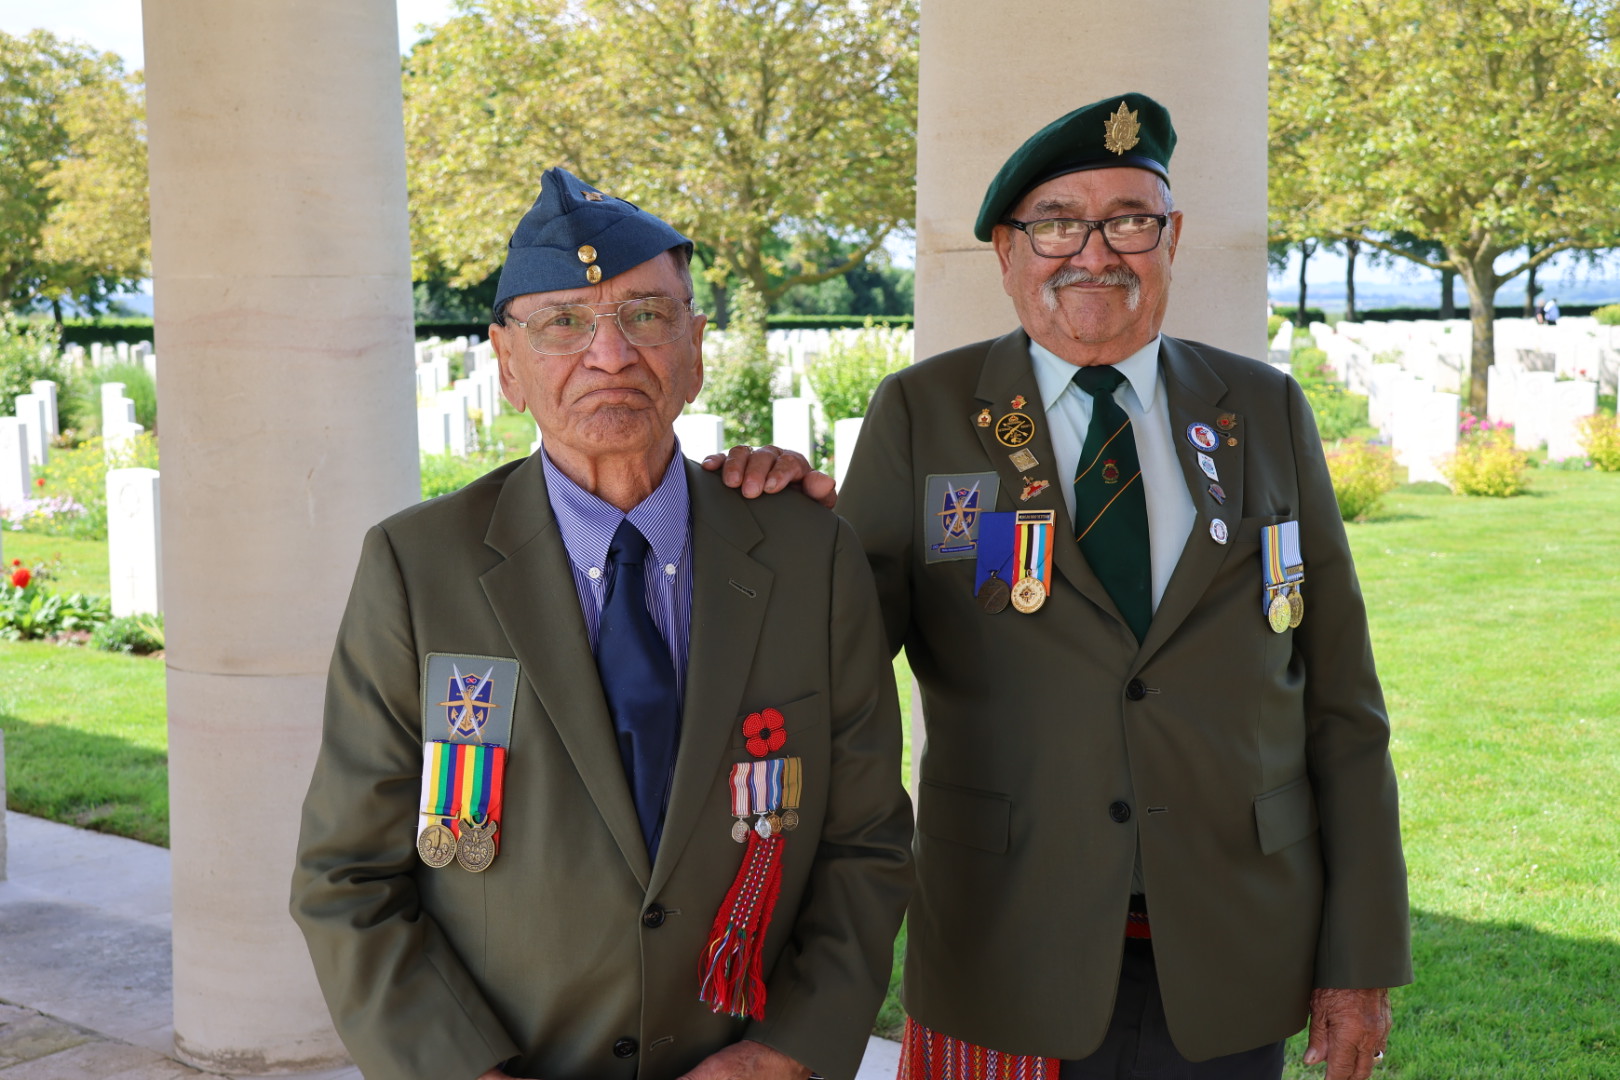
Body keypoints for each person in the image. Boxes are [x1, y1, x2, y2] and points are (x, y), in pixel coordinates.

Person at [709, 93, 1410, 1080]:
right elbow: (834, 661)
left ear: (1172, 239)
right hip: (1006, 944)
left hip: (1236, 949)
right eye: (1056, 224)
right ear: (1007, 251)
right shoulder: (925, 413)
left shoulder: (1262, 409)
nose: (1094, 253)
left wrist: (1360, 959)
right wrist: (769, 526)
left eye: (1129, 220)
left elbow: (1343, 705)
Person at [290, 166, 913, 1080]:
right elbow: (348, 878)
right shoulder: (417, 570)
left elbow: (865, 843)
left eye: (647, 316)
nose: (611, 355)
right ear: (507, 364)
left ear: (695, 350)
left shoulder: (807, 556)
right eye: (563, 323)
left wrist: (783, 1054)